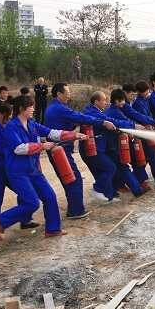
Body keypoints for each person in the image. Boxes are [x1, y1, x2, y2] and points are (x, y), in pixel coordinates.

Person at [0, 95, 80, 241]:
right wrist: (42, 146)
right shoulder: (11, 127)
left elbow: (52, 133)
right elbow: (19, 148)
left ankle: (53, 229)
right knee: (32, 203)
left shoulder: (32, 125)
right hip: (18, 172)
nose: (33, 109)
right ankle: (1, 221)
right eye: (31, 106)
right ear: (21, 109)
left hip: (34, 171)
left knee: (50, 196)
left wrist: (74, 135)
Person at [45, 83, 115, 217]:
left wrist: (73, 124)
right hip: (60, 149)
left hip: (58, 148)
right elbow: (79, 116)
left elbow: (64, 124)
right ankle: (75, 211)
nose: (69, 95)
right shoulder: (59, 108)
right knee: (74, 178)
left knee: (68, 178)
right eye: (67, 92)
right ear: (59, 94)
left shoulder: (53, 108)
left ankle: (74, 208)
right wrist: (102, 122)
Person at [0, 102, 38, 237]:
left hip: (9, 168)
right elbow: (4, 149)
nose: (10, 117)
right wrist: (20, 147)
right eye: (8, 115)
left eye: (12, 115)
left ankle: (25, 219)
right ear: (0, 114)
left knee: (24, 192)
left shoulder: (8, 127)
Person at [79, 91, 140, 202]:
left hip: (96, 148)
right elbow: (112, 121)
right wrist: (133, 126)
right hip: (92, 149)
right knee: (110, 168)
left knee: (102, 172)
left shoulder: (93, 110)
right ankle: (97, 189)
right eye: (103, 100)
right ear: (96, 102)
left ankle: (108, 196)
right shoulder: (94, 112)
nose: (106, 103)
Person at [104, 89, 150, 198]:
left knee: (119, 167)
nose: (124, 103)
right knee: (122, 167)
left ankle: (117, 189)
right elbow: (125, 121)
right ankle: (136, 189)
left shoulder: (115, 110)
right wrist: (136, 127)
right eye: (122, 100)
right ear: (116, 100)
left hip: (115, 144)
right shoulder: (113, 112)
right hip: (113, 145)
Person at [121, 82, 155, 188]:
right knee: (151, 156)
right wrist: (154, 123)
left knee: (143, 158)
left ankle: (137, 180)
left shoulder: (143, 101)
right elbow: (139, 116)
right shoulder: (134, 104)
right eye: (131, 95)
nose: (133, 97)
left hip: (143, 131)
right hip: (143, 133)